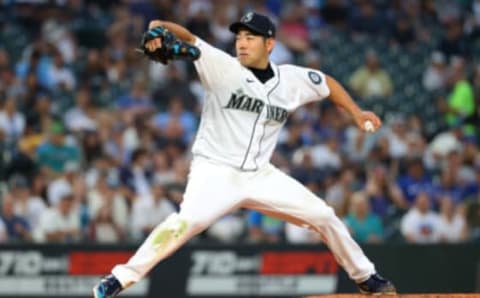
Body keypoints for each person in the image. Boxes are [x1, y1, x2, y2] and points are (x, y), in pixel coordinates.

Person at [93, 12, 396, 297]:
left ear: (270, 44)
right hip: (215, 172)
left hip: (261, 174)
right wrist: (156, 27)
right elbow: (187, 37)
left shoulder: (291, 79)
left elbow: (326, 83)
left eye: (251, 37)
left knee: (323, 216)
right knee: (182, 225)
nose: (242, 42)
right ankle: (119, 279)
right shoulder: (221, 66)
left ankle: (366, 278)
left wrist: (356, 112)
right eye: (239, 36)